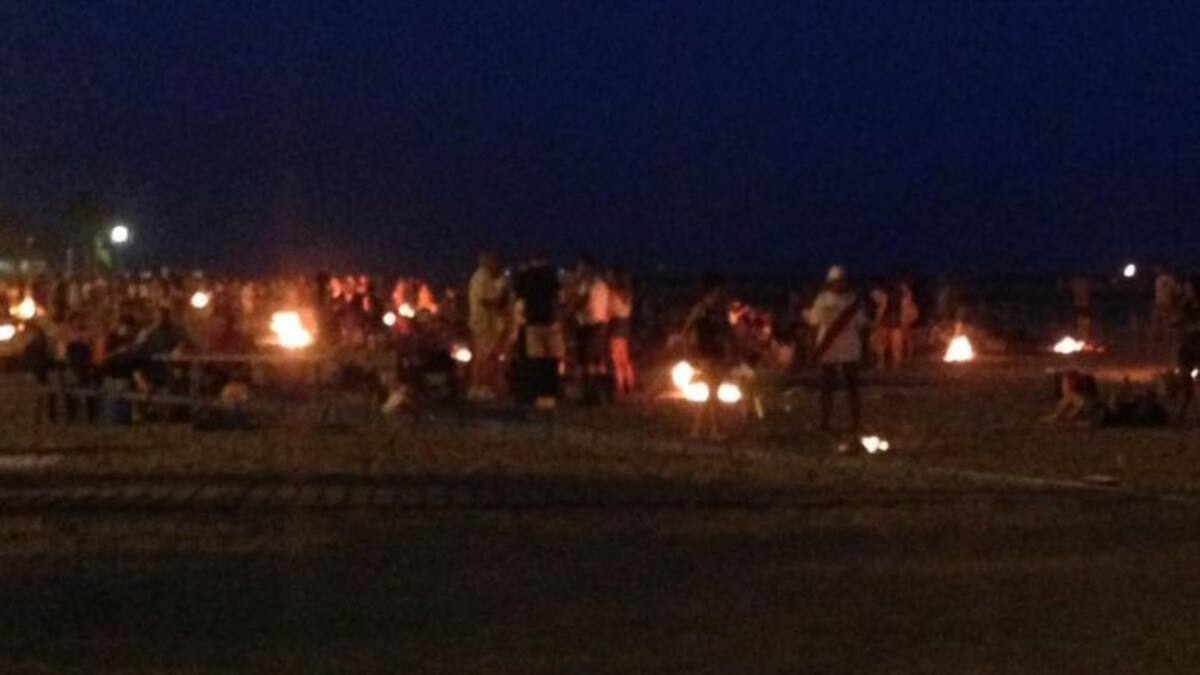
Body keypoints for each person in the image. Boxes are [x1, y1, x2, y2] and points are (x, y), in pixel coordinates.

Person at [806, 265, 868, 432]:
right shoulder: (822, 300)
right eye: (836, 281)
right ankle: (825, 422)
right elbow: (814, 324)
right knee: (827, 387)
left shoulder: (852, 301)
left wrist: (865, 349)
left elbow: (862, 325)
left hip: (849, 347)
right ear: (830, 282)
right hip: (829, 348)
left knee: (852, 387)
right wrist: (814, 347)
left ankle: (856, 422)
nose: (840, 284)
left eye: (842, 281)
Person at [682, 272, 733, 439]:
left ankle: (697, 429)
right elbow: (686, 331)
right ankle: (714, 430)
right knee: (713, 392)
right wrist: (689, 352)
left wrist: (729, 351)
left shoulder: (720, 310)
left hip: (717, 353)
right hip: (705, 353)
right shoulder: (701, 309)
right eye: (719, 290)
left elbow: (726, 333)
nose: (722, 293)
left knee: (712, 392)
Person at [513, 253, 563, 409]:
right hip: (550, 322)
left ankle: (535, 394)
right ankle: (550, 395)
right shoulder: (552, 276)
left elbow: (518, 297)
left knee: (535, 360)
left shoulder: (526, 277)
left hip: (533, 322)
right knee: (551, 359)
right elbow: (558, 299)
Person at [467, 251, 509, 401]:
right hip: (483, 323)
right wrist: (501, 288)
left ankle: (480, 386)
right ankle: (482, 387)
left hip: (482, 322)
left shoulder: (481, 277)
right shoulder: (482, 277)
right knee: (485, 356)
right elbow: (488, 299)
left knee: (482, 356)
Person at [573, 256, 611, 405]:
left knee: (587, 360)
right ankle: (603, 394)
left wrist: (574, 305)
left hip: (590, 324)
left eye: (580, 267)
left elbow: (583, 303)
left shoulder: (589, 285)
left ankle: (590, 396)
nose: (578, 270)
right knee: (598, 360)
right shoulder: (603, 285)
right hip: (601, 324)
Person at [608, 267, 635, 398]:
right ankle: (630, 384)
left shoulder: (614, 294)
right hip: (625, 327)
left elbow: (610, 311)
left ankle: (619, 386)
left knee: (616, 360)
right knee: (625, 359)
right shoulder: (628, 295)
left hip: (616, 326)